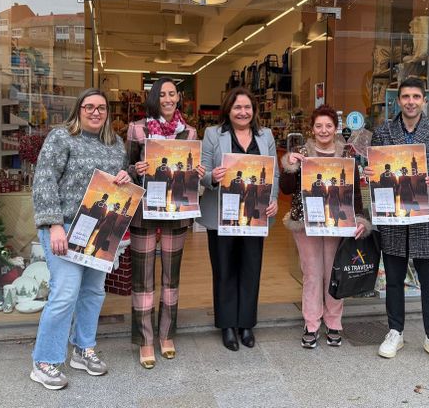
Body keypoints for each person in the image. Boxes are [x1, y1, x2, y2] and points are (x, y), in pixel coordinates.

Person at [30, 88, 131, 390]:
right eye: (89, 107)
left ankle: (82, 348)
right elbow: (44, 180)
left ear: (107, 113)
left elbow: (120, 185)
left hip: (101, 227)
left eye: (101, 108)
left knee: (93, 292)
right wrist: (53, 225)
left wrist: (127, 178)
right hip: (65, 226)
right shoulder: (61, 138)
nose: (95, 112)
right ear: (79, 110)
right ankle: (44, 361)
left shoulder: (116, 145)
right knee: (65, 293)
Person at [364, 78, 429, 368]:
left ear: (424, 101)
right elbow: (375, 171)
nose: (411, 101)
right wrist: (370, 174)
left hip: (427, 213)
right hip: (393, 215)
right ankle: (395, 331)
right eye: (406, 96)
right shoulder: (383, 132)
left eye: (416, 96)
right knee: (393, 280)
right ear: (398, 100)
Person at [127, 77, 205, 369]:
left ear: (178, 98)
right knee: (143, 278)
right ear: (154, 98)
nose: (168, 99)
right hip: (145, 212)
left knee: (171, 277)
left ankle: (166, 334)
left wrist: (197, 171)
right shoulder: (138, 128)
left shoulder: (189, 132)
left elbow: (191, 174)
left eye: (172, 94)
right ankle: (145, 339)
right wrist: (136, 168)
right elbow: (126, 167)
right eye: (162, 94)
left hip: (175, 212)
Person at [279, 105, 371, 349]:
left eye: (328, 125)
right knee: (312, 274)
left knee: (334, 273)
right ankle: (311, 324)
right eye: (318, 126)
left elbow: (355, 194)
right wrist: (289, 164)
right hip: (306, 222)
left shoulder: (346, 156)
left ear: (336, 128)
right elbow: (286, 188)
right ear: (312, 128)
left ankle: (334, 323)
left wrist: (359, 219)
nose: (323, 130)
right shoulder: (301, 152)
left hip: (337, 222)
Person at [198, 86, 279, 351]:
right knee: (224, 268)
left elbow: (274, 173)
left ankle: (246, 324)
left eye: (247, 107)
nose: (242, 112)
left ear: (254, 110)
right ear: (228, 110)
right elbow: (203, 172)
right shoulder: (213, 134)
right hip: (223, 212)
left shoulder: (265, 135)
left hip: (255, 213)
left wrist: (273, 200)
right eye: (237, 107)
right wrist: (213, 177)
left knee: (251, 267)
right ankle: (227, 325)